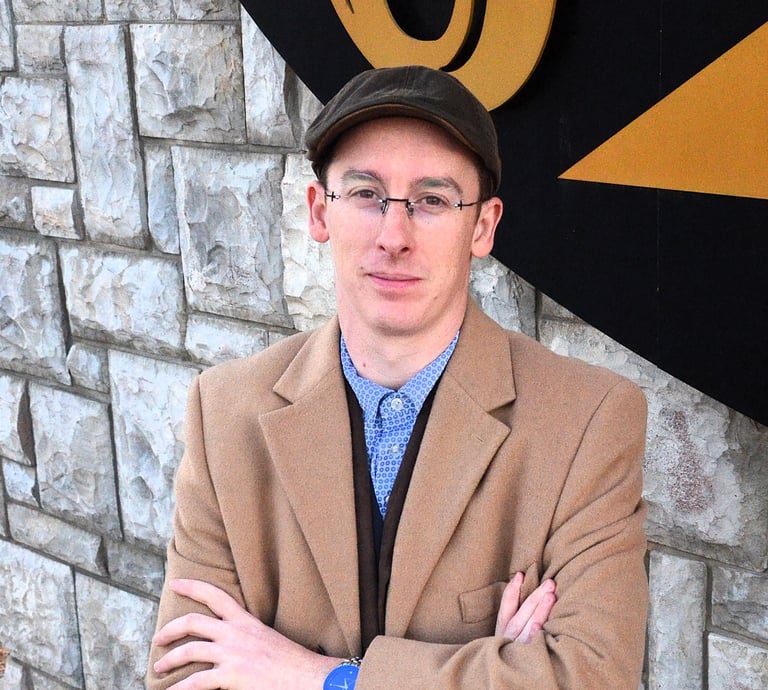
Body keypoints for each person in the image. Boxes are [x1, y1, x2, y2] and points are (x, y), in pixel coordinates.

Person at [147, 65, 648, 689]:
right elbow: (183, 674)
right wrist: (497, 671)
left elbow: (589, 680)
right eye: (365, 194)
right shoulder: (224, 412)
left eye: (433, 200)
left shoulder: (588, 421)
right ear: (319, 211)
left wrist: (321, 677)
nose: (394, 236)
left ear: (483, 226)